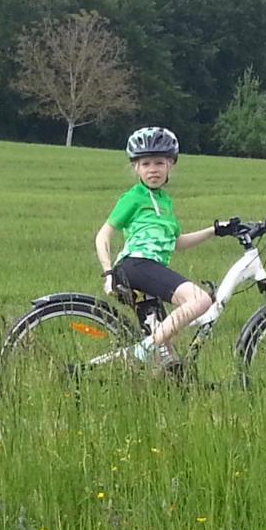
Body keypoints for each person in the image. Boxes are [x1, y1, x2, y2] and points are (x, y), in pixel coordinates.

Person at [93, 126, 222, 364]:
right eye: (146, 164)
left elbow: (176, 243)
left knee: (167, 364)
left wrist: (214, 231)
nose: (153, 170)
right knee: (201, 300)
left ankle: (145, 365)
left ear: (170, 165)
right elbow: (103, 235)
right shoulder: (133, 198)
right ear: (136, 168)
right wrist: (108, 273)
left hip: (149, 270)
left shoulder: (165, 202)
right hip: (136, 265)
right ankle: (144, 348)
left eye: (159, 163)